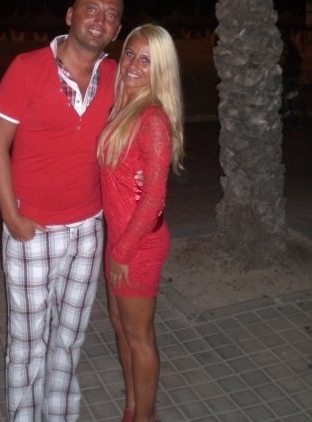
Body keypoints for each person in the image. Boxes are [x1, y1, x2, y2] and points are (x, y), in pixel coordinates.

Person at [0, 0, 124, 422]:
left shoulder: (117, 76)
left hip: (87, 230)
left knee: (69, 339)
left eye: (111, 15)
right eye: (91, 8)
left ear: (117, 29)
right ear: (70, 15)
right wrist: (12, 217)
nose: (100, 19)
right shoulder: (26, 68)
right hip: (32, 229)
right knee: (28, 342)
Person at [97, 24, 184, 422]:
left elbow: (153, 199)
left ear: (160, 70)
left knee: (140, 337)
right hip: (118, 239)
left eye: (146, 60)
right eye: (130, 54)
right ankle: (133, 406)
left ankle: (146, 417)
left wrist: (123, 251)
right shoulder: (122, 107)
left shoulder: (151, 118)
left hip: (137, 245)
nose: (133, 65)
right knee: (120, 326)